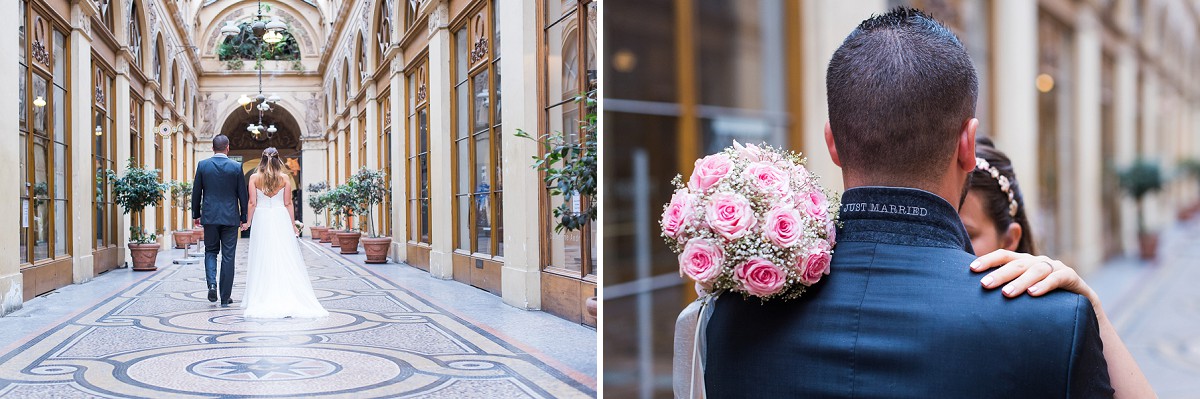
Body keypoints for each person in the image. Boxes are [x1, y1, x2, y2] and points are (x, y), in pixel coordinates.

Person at [704, 8, 1113, 397]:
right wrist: (1090, 305)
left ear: (833, 143)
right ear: (968, 146)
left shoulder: (726, 318)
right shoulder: (1054, 324)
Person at [963, 138, 1155, 398]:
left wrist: (1093, 312)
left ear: (1009, 240)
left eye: (966, 233)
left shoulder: (1049, 326)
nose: (948, 245)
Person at [241, 147, 328, 319]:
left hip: (262, 217)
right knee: (284, 253)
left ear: (262, 159)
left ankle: (262, 294)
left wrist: (248, 222)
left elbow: (252, 202)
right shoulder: (285, 178)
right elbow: (288, 204)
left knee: (262, 255)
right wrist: (293, 226)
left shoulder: (254, 178)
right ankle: (285, 290)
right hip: (280, 217)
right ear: (277, 159)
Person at [192, 135, 249, 307]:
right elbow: (242, 195)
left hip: (210, 216)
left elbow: (197, 193)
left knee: (210, 251)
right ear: (228, 148)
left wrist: (196, 214)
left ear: (212, 148)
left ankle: (211, 284)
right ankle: (225, 297)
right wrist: (244, 217)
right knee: (228, 256)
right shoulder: (236, 167)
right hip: (230, 217)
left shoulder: (203, 165)